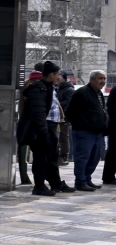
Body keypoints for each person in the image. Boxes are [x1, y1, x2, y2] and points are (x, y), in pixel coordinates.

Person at [16, 61, 75, 196]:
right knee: (41, 158)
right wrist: (43, 132)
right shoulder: (38, 89)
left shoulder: (49, 87)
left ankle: (55, 183)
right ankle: (39, 186)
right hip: (41, 128)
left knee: (52, 156)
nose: (59, 77)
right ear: (50, 75)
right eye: (57, 74)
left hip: (50, 126)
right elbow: (38, 113)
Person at [66, 70, 108, 191]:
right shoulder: (82, 92)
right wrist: (80, 124)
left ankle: (87, 179)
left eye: (104, 79)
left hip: (97, 132)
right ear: (92, 80)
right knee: (82, 158)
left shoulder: (99, 93)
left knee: (94, 158)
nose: (103, 81)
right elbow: (70, 111)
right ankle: (80, 181)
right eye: (100, 78)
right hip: (83, 132)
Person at [16, 62, 44, 185]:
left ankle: (24, 176)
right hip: (33, 121)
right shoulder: (39, 84)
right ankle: (34, 179)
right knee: (38, 152)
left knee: (23, 151)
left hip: (24, 119)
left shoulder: (27, 82)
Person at [57, 70, 75, 166]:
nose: (58, 77)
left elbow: (68, 103)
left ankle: (64, 156)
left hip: (65, 117)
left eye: (60, 75)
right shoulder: (58, 88)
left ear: (64, 78)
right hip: (58, 116)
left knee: (63, 137)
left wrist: (56, 104)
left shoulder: (69, 90)